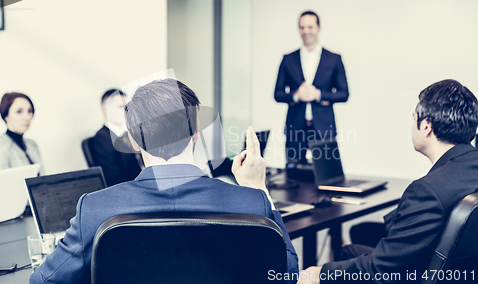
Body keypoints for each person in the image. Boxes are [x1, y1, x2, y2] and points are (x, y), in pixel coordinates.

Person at [30, 79, 299, 284]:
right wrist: (258, 187)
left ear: (133, 140)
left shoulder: (94, 209)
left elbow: (43, 280)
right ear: (196, 131)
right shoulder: (251, 202)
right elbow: (288, 274)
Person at [298, 79, 478, 284]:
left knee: (347, 252)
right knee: (362, 231)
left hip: (417, 276)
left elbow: (380, 269)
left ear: (426, 126)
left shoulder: (426, 191)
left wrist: (320, 274)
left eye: (414, 119)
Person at [274, 11, 349, 162]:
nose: (306, 31)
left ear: (318, 28)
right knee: (293, 176)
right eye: (302, 27)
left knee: (327, 177)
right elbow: (278, 94)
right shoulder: (288, 59)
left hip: (324, 128)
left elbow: (344, 93)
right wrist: (296, 95)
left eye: (310, 27)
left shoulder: (334, 59)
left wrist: (319, 94)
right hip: (295, 128)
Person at [92, 89, 142, 187]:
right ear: (105, 109)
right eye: (120, 107)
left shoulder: (128, 134)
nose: (125, 111)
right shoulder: (102, 139)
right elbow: (114, 178)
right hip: (130, 189)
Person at [0, 92, 44, 174]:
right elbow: (2, 184)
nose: (27, 117)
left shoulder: (32, 144)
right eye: (19, 111)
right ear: (6, 115)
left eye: (29, 111)